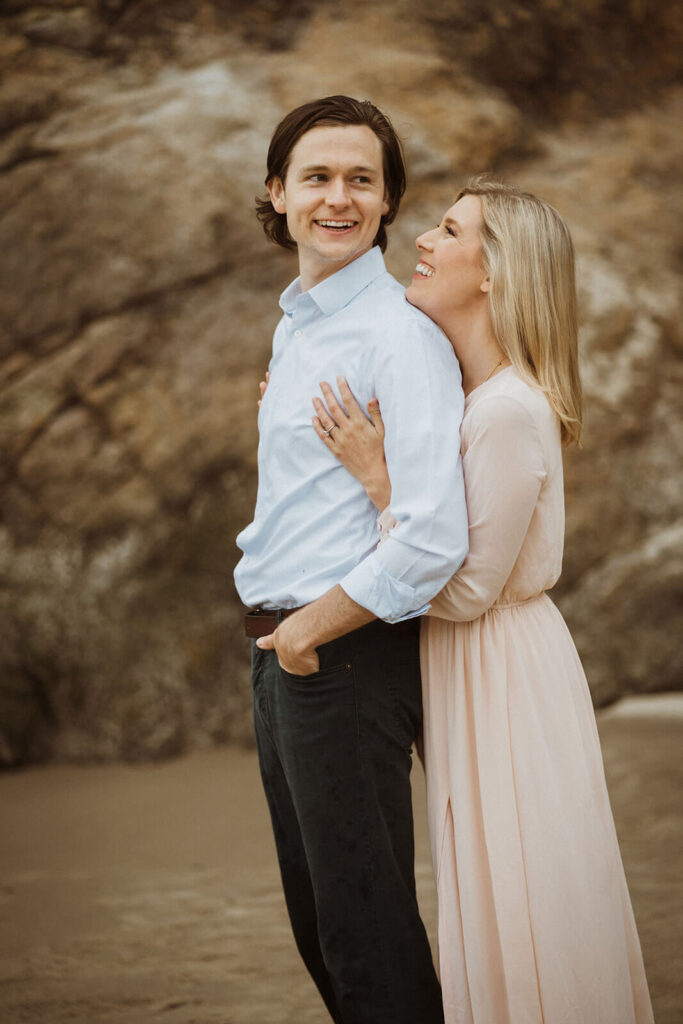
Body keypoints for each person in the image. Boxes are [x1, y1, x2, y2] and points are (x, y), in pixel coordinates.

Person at [304, 179, 654, 1023]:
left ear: (495, 272)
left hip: (501, 665)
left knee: (522, 892)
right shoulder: (468, 401)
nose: (422, 239)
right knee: (494, 884)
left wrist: (381, 478)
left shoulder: (502, 412)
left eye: (450, 229)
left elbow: (462, 592)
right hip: (479, 667)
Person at [233, 95, 469, 1024]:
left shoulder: (397, 335)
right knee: (323, 928)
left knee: (365, 934)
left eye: (361, 180)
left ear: (386, 200)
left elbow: (431, 535)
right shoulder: (299, 326)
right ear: (278, 191)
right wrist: (281, 646)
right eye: (318, 177)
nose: (339, 197)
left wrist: (305, 633)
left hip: (342, 650)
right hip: (284, 654)